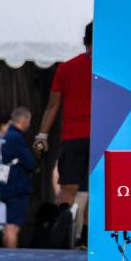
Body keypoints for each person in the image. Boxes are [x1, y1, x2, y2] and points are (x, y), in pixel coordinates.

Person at [33, 22, 92, 241]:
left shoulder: (66, 68)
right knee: (97, 191)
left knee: (68, 189)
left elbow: (53, 105)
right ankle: (86, 240)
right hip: (101, 136)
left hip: (73, 136)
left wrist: (41, 136)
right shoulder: (109, 68)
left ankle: (62, 235)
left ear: (84, 40)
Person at [0, 107, 38, 249]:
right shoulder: (16, 138)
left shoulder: (5, 136)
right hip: (16, 186)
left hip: (5, 185)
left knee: (6, 226)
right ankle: (11, 257)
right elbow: (31, 162)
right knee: (13, 227)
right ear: (24, 120)